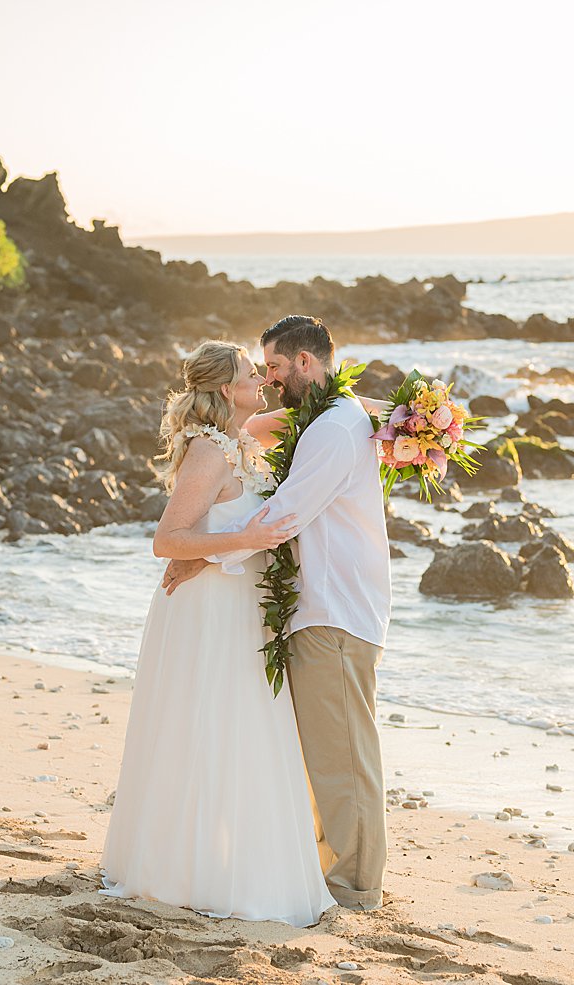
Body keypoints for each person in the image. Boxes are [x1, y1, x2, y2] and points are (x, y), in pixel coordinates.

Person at [98, 339, 335, 927]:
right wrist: (244, 543)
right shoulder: (209, 451)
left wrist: (420, 418)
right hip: (207, 613)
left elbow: (328, 413)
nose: (265, 382)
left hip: (235, 604)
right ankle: (194, 869)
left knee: (241, 728)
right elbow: (167, 541)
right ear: (229, 390)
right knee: (210, 727)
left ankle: (230, 860)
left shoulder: (245, 438)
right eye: (255, 375)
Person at [163, 314, 393, 912]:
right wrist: (400, 416)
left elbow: (281, 517)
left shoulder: (333, 429)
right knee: (322, 754)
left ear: (305, 364)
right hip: (316, 608)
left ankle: (355, 886)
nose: (268, 380)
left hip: (333, 610)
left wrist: (204, 553)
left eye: (273, 368)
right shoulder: (328, 418)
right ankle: (326, 872)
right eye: (257, 372)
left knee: (343, 759)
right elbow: (272, 455)